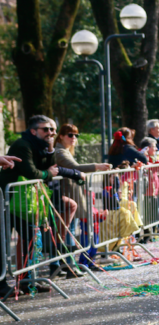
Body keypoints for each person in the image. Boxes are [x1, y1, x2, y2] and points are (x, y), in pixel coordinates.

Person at [0, 115, 86, 294]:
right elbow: (32, 172)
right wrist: (47, 174)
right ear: (33, 131)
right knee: (3, 242)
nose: (51, 133)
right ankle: (3, 285)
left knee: (30, 238)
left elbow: (52, 166)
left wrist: (51, 149)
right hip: (10, 198)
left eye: (53, 130)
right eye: (46, 129)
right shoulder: (23, 145)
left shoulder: (43, 146)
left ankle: (26, 281)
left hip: (25, 201)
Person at [55, 124, 111, 272]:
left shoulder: (65, 151)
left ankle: (68, 263)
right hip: (65, 195)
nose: (74, 138)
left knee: (70, 230)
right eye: (70, 135)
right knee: (67, 230)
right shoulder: (59, 152)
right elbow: (76, 168)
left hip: (71, 194)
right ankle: (67, 264)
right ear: (61, 136)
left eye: (76, 135)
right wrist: (97, 166)